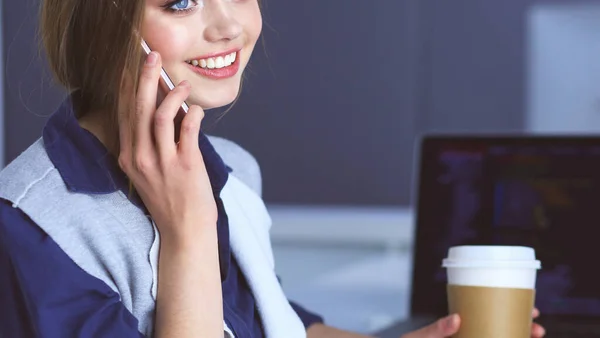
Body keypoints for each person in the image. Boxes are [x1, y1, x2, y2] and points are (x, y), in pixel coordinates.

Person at [0, 0, 546, 337]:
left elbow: (271, 320)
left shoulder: (232, 170)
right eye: (182, 2)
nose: (228, 27)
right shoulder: (28, 229)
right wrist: (187, 235)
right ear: (103, 24)